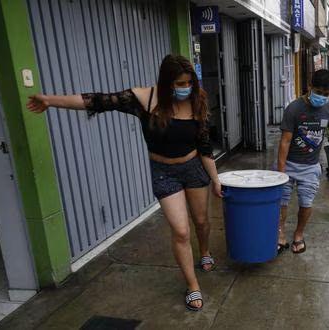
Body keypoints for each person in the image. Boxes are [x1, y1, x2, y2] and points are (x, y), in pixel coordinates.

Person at [26, 54, 221, 312]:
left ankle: (204, 251)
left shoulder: (197, 100)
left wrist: (215, 180)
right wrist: (50, 101)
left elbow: (205, 146)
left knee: (202, 222)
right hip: (164, 172)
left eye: (188, 83)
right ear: (165, 83)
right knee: (182, 231)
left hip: (194, 168)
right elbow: (96, 100)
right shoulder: (144, 99)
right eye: (179, 83)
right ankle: (192, 285)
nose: (185, 88)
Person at [277, 69, 329, 254]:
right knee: (281, 202)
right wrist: (280, 171)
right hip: (288, 164)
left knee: (306, 203)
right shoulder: (294, 108)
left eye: (326, 94)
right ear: (310, 86)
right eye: (319, 92)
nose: (322, 97)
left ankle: (298, 234)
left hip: (310, 168)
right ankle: (279, 234)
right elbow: (285, 141)